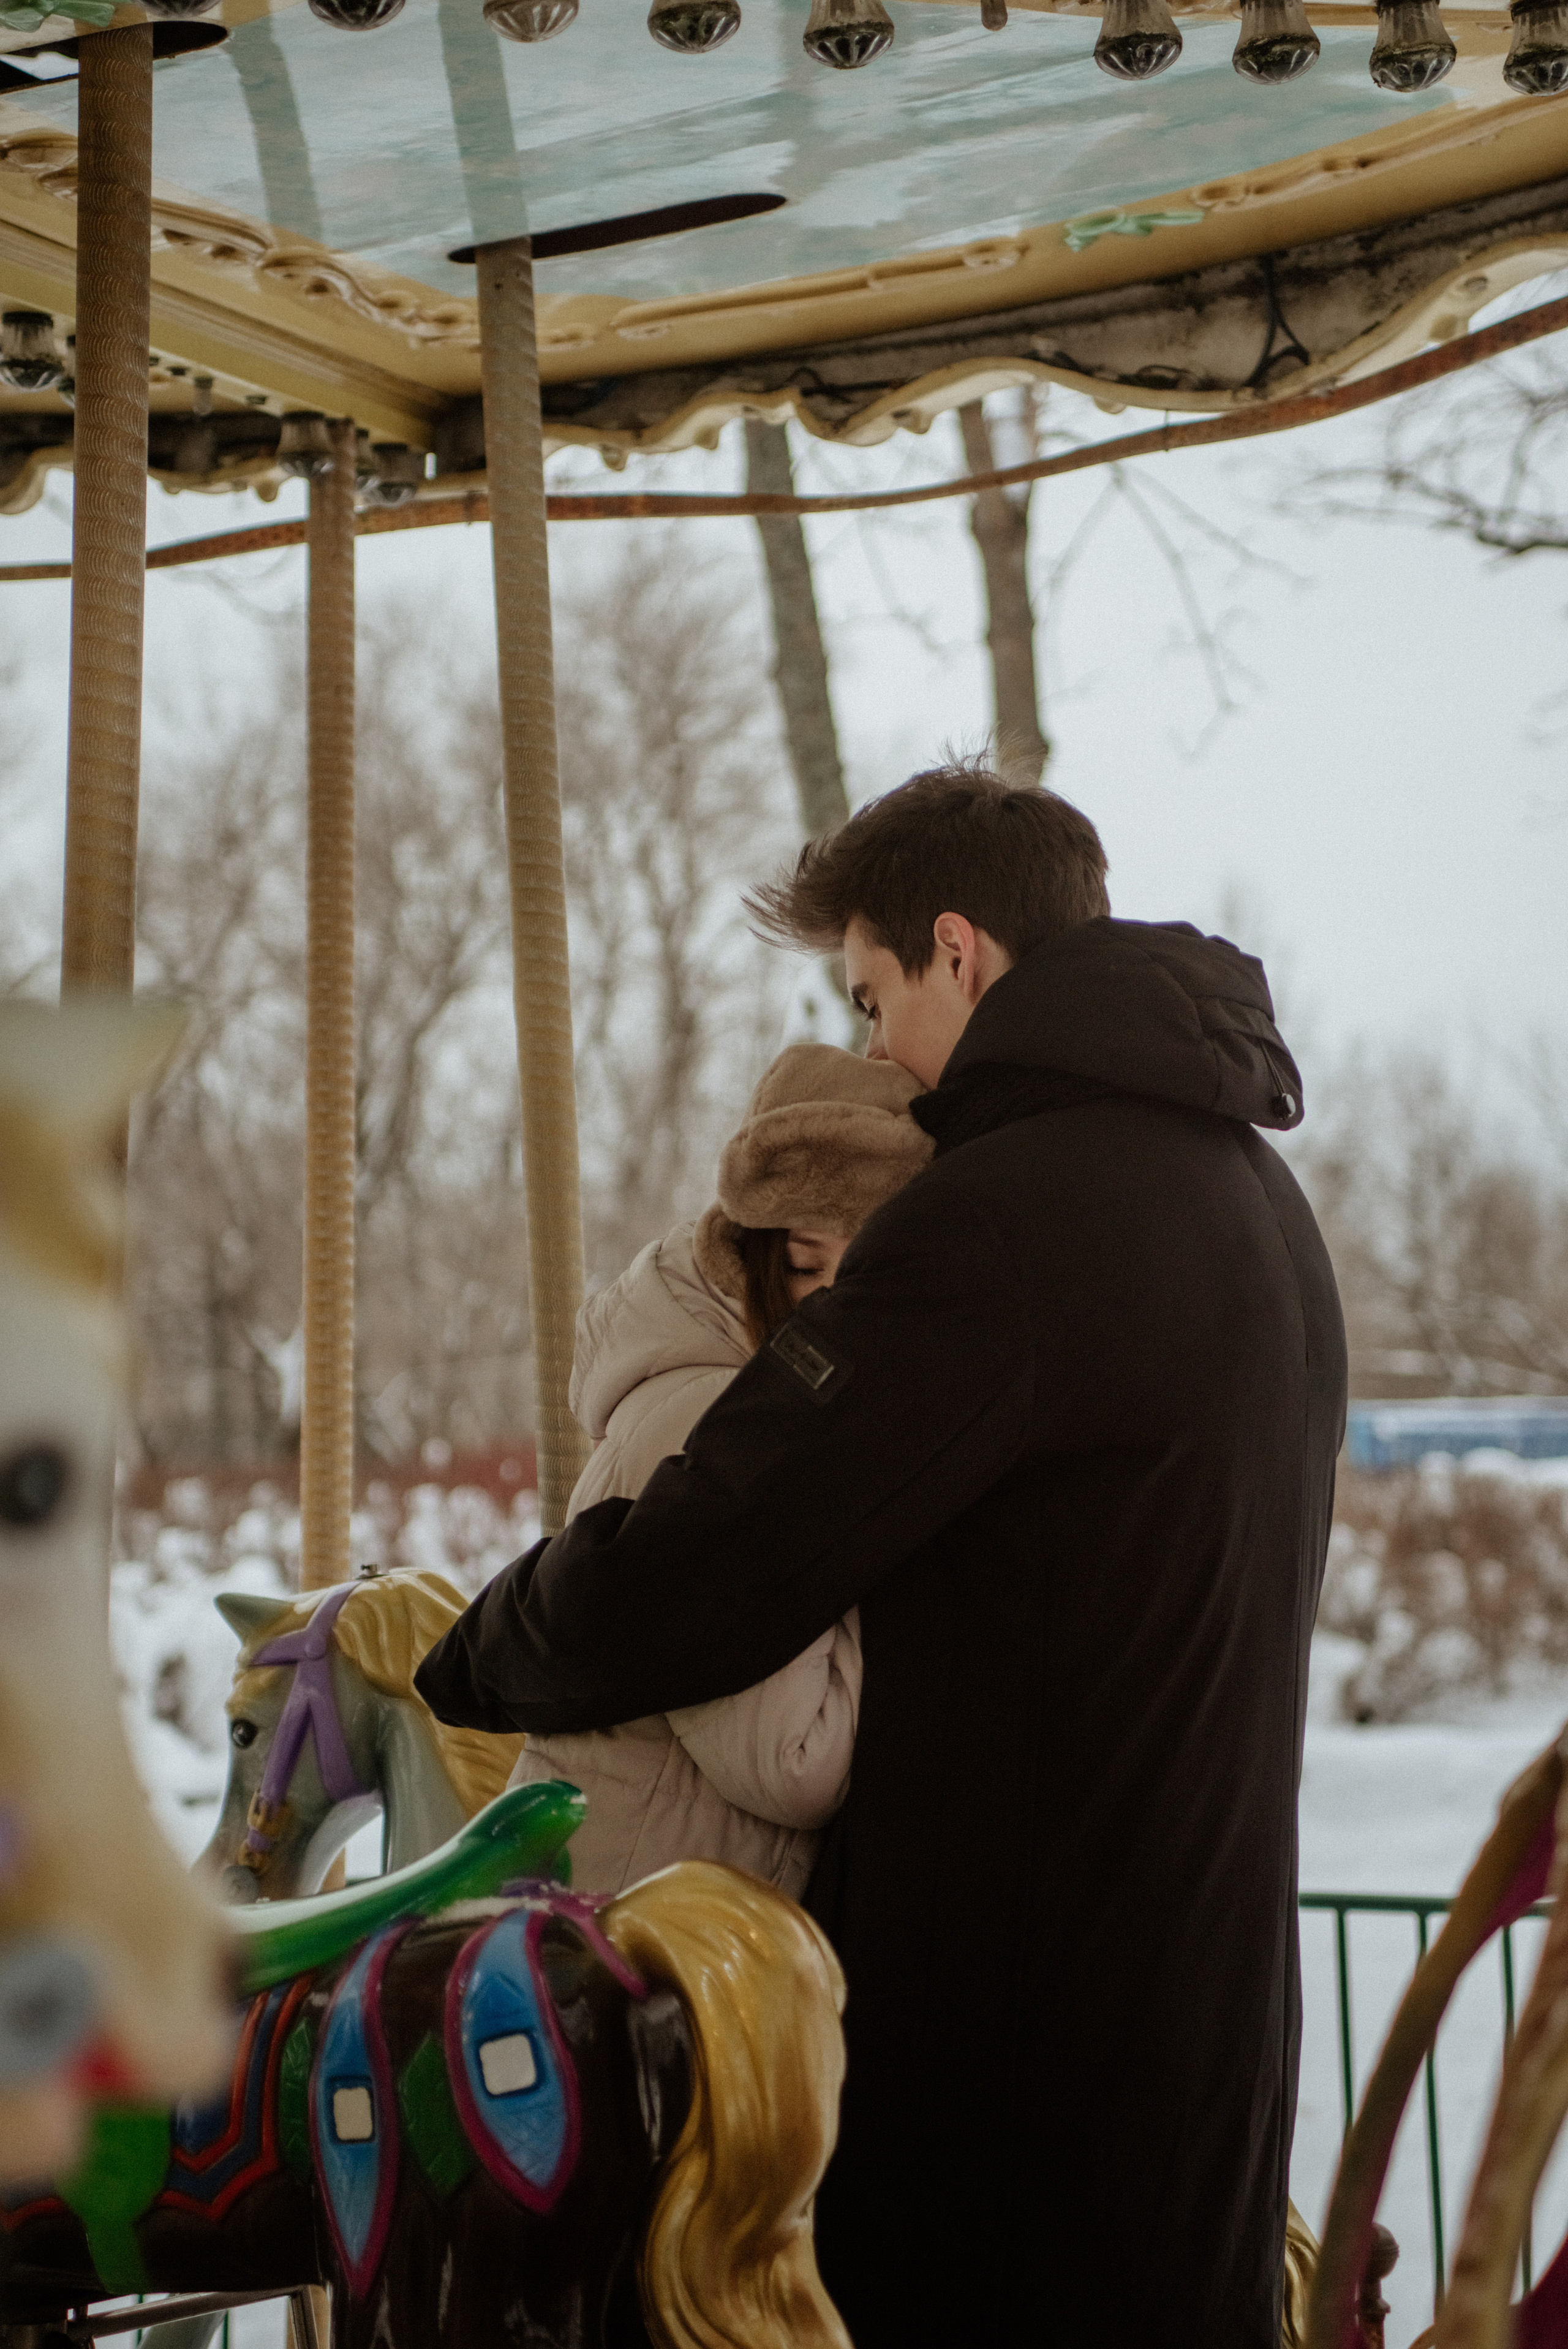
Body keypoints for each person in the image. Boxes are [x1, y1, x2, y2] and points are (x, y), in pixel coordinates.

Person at [417, 765, 1346, 2349]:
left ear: (961, 956)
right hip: (1209, 2024)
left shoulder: (1004, 1222)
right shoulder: (1263, 1210)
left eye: (871, 996)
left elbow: (734, 1545)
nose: (872, 1051)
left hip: (1016, 2057)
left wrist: (494, 1638)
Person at [511, 1041, 932, 1902]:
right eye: (806, 1266)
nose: (834, 1306)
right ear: (754, 1251)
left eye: (870, 1273)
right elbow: (791, 1759)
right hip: (613, 1941)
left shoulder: (776, 1398)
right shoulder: (708, 1415)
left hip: (669, 1929)